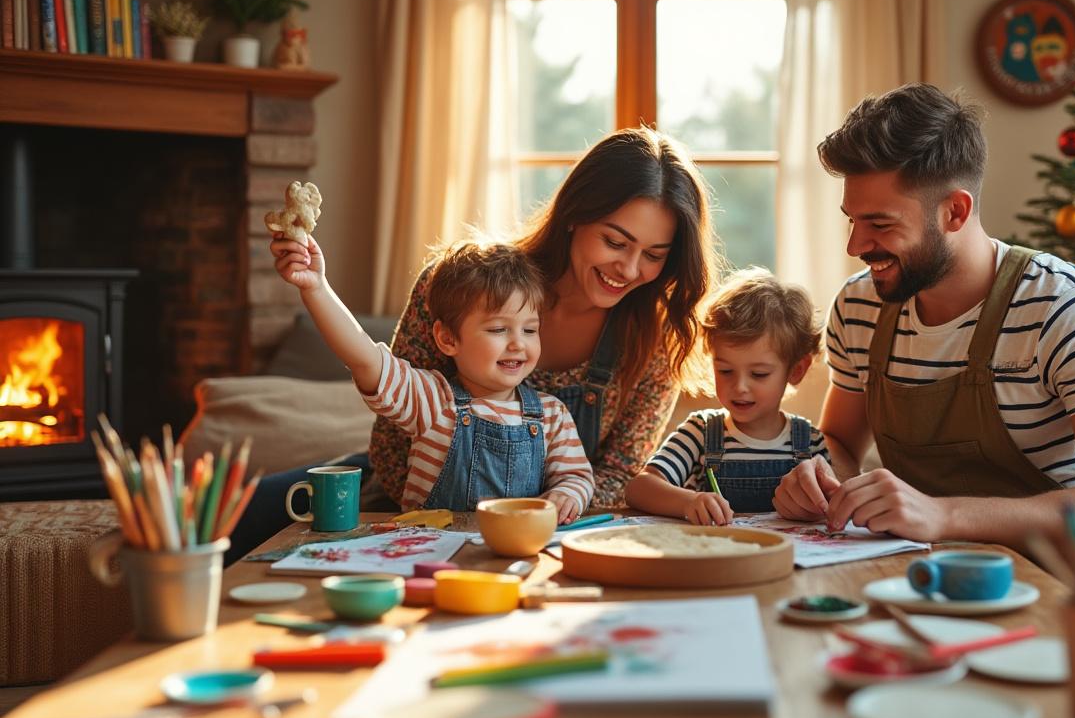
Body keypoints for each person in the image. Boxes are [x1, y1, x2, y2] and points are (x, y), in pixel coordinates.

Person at [227, 128, 717, 564]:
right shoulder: (467, 282)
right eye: (615, 242)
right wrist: (434, 522)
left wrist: (548, 508)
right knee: (235, 514)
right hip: (410, 506)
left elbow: (612, 476)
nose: (629, 270)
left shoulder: (654, 339)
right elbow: (386, 412)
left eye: (653, 255)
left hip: (543, 534)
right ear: (575, 217)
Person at [774, 83, 1075, 551]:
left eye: (880, 224)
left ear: (955, 212)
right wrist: (821, 477)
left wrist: (945, 514)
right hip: (910, 569)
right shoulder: (860, 306)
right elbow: (841, 441)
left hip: (1056, 579)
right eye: (852, 220)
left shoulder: (1072, 312)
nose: (855, 246)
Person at [269, 232, 595, 519]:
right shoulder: (432, 401)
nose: (518, 344)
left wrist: (567, 495)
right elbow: (365, 359)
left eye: (529, 330)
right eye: (498, 329)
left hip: (512, 563)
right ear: (448, 339)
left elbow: (578, 477)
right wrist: (316, 288)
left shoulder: (552, 415)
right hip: (428, 559)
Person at [626, 268, 829, 525]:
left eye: (758, 374)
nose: (740, 386)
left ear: (796, 370)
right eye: (725, 371)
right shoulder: (700, 432)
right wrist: (688, 502)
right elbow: (639, 489)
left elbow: (828, 505)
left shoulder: (810, 441)